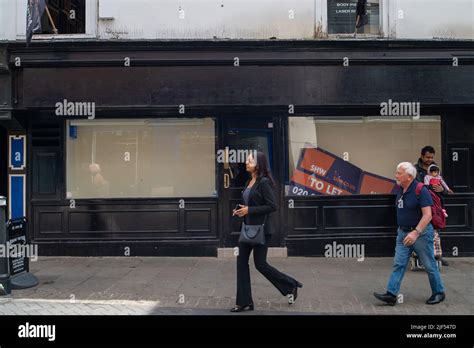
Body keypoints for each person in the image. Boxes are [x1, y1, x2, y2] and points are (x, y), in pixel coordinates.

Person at [230, 151, 303, 312]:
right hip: (247, 228)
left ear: (258, 164)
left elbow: (272, 206)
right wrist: (241, 210)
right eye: (247, 160)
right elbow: (250, 203)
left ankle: (290, 285)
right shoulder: (250, 181)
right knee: (241, 262)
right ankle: (244, 302)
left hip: (262, 230)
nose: (246, 163)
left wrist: (250, 210)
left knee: (260, 265)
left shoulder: (264, 182)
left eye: (249, 161)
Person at [374, 162, 446, 305]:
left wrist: (415, 233)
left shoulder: (421, 190)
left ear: (409, 176)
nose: (396, 175)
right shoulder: (401, 189)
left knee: (429, 265)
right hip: (403, 233)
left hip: (421, 234)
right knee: (398, 264)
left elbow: (427, 215)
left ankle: (439, 292)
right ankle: (391, 294)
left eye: (399, 173)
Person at [414, 146, 449, 266]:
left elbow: (443, 184)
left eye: (432, 157)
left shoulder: (435, 168)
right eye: (427, 157)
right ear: (422, 156)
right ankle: (421, 256)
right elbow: (415, 186)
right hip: (421, 205)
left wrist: (442, 189)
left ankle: (437, 256)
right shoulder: (415, 169)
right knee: (421, 230)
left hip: (436, 204)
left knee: (435, 231)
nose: (430, 159)